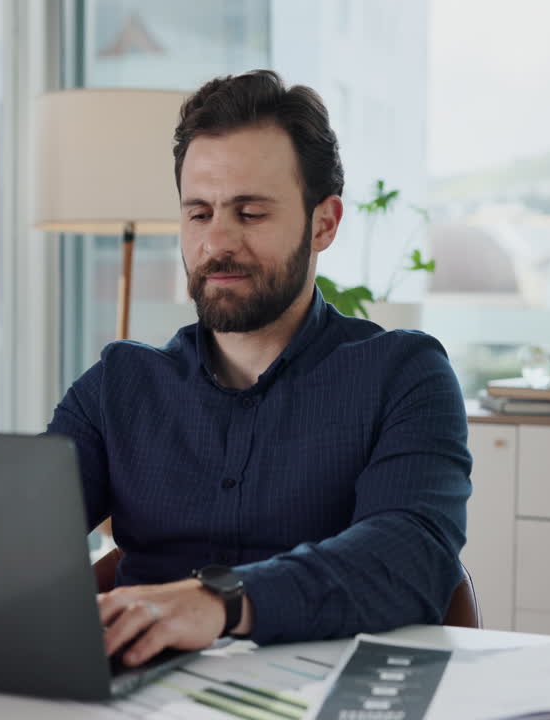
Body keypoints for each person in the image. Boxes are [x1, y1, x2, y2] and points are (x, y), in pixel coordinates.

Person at [47, 70, 471, 667]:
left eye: (249, 213)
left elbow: (410, 556)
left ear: (324, 223)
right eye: (199, 213)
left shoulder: (404, 375)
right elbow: (16, 534)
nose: (217, 242)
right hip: (136, 696)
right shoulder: (119, 386)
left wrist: (218, 601)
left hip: (330, 692)